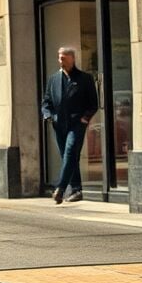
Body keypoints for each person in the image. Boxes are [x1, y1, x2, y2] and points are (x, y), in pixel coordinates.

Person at [41, 46, 99, 204]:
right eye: (59, 58)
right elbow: (46, 102)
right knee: (69, 157)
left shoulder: (84, 79)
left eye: (64, 58)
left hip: (77, 123)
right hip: (58, 125)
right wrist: (48, 116)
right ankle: (76, 189)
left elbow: (93, 103)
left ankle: (60, 188)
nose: (61, 61)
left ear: (73, 59)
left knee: (70, 152)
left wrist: (85, 119)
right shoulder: (53, 79)